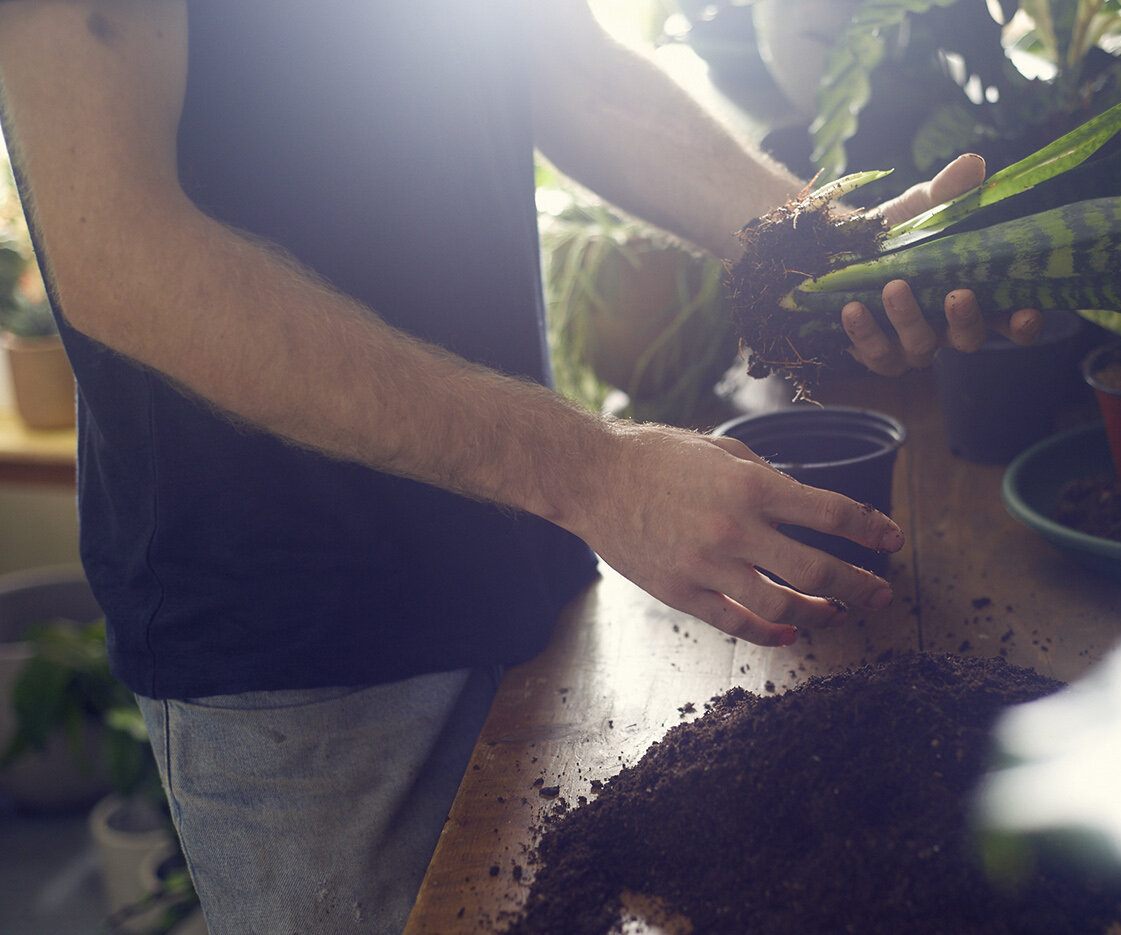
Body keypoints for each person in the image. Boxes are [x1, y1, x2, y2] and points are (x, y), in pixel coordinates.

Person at [0, 1, 1040, 931]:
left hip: (518, 568)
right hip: (304, 661)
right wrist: (595, 471)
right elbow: (119, 254)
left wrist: (815, 258)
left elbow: (550, 53)